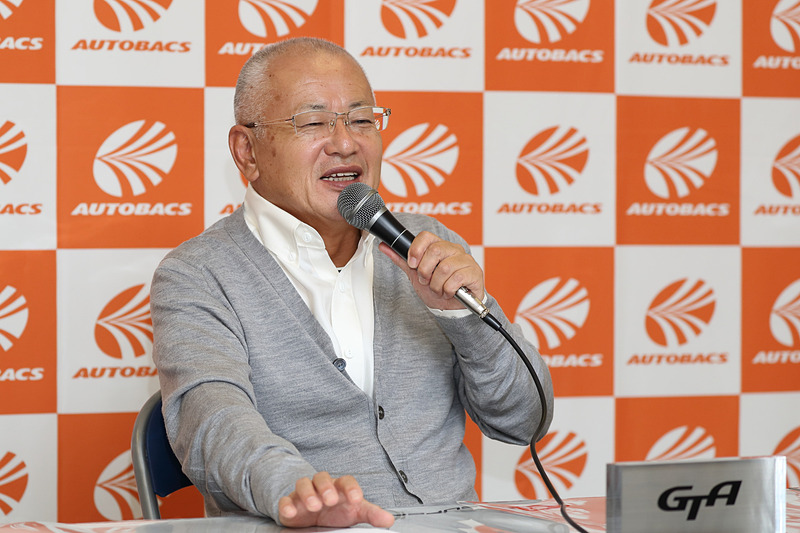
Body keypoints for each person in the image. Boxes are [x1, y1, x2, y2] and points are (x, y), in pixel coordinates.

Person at [150, 37, 553, 529]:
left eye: (362, 120)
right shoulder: (199, 273)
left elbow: (523, 422)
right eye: (313, 122)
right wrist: (299, 493)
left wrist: (465, 319)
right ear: (247, 151)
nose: (345, 143)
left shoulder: (428, 246)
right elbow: (211, 419)